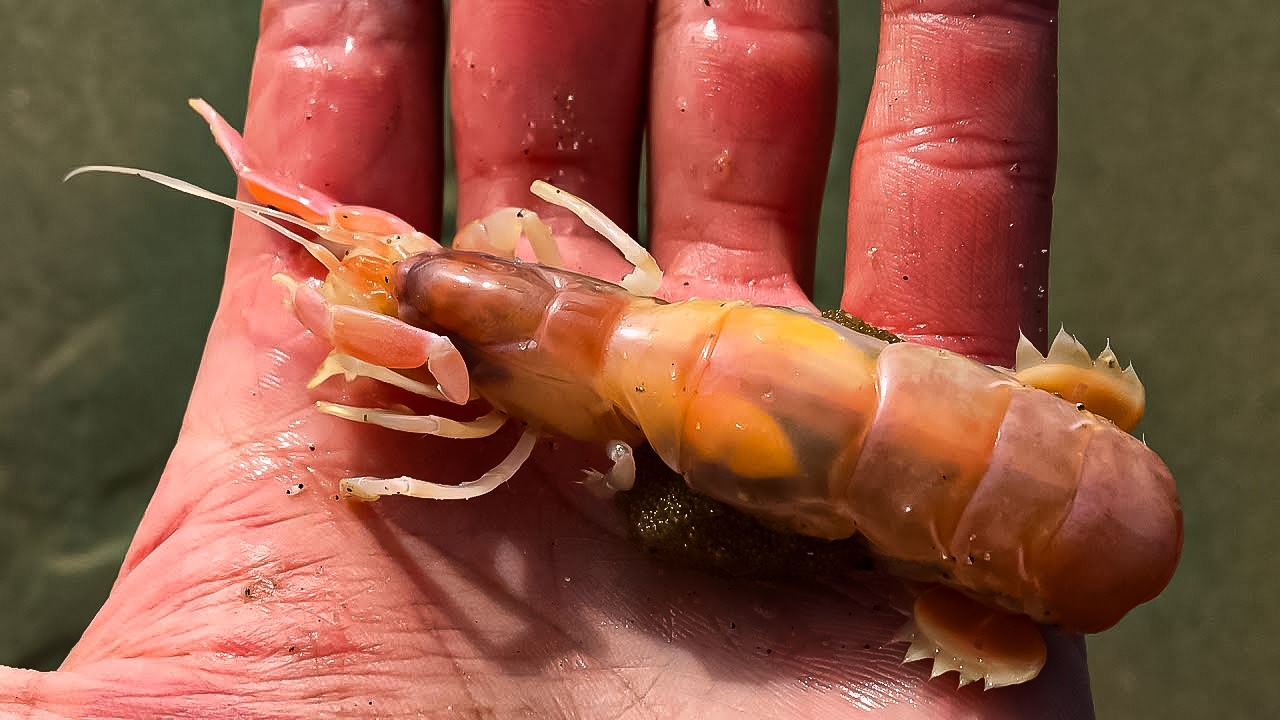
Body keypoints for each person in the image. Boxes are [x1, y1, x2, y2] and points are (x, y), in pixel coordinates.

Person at [1, 1, 1090, 716]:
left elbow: (466, 430)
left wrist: (368, 388)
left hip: (936, 483)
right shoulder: (578, 278)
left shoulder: (491, 370)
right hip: (753, 377)